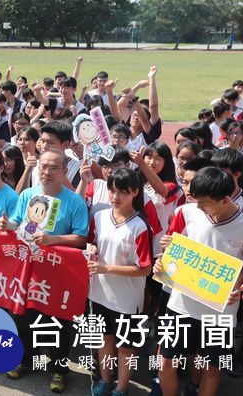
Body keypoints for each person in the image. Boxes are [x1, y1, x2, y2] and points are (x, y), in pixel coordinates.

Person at [155, 167, 243, 396]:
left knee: (212, 367)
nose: (197, 206)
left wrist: (242, 287)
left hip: (220, 311)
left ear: (225, 200)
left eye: (204, 203)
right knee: (166, 361)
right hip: (181, 304)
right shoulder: (185, 212)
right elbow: (172, 249)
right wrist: (161, 262)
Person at [0, 149, 88, 393]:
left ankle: (59, 369)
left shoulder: (74, 201)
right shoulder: (28, 194)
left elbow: (81, 237)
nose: (47, 172)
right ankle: (27, 360)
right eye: (44, 166)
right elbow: (17, 223)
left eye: (54, 168)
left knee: (59, 321)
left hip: (59, 274)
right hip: (28, 269)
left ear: (65, 171)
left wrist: (53, 239)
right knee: (24, 317)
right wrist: (7, 225)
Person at [87, 168, 153, 396]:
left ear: (135, 192)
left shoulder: (140, 226)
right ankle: (105, 381)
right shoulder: (99, 216)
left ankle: (121, 388)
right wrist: (92, 248)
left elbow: (144, 269)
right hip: (99, 293)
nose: (115, 197)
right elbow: (92, 242)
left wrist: (106, 268)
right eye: (112, 190)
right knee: (104, 339)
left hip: (127, 300)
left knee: (126, 347)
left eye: (122, 192)